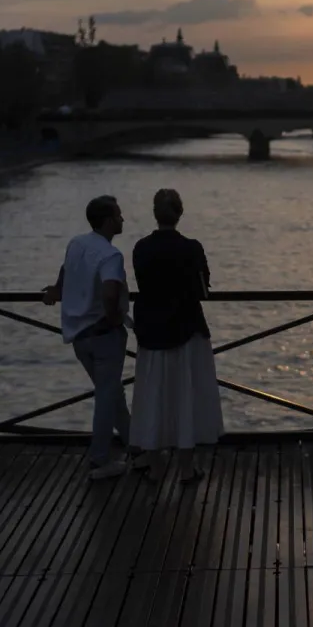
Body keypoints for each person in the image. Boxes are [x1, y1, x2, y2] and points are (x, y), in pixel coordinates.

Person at [130, 188, 223, 484]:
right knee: (186, 397)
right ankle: (186, 468)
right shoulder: (191, 248)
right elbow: (203, 290)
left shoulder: (141, 248)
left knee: (153, 396)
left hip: (151, 330)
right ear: (180, 213)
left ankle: (156, 466)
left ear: (155, 214)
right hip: (186, 328)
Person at [42, 194, 132, 480]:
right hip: (105, 335)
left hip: (79, 337)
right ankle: (99, 460)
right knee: (106, 397)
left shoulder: (77, 243)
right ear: (108, 221)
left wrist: (57, 290)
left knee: (112, 392)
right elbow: (110, 291)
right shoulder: (111, 255)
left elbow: (65, 269)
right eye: (118, 215)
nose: (122, 219)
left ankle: (135, 444)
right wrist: (114, 318)